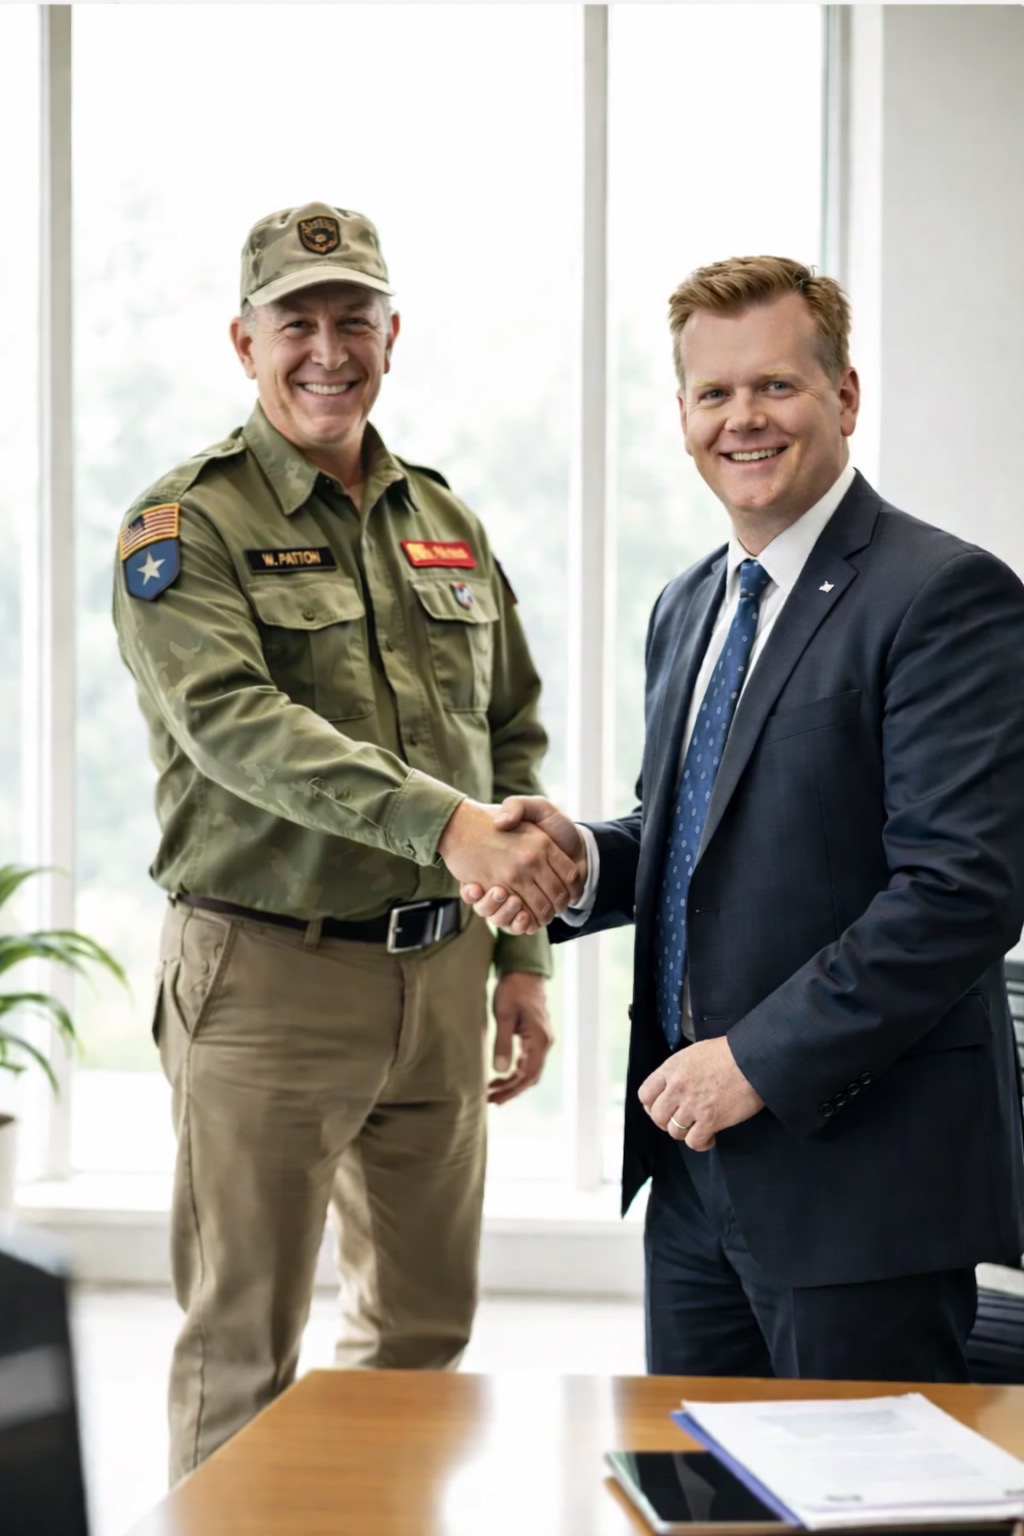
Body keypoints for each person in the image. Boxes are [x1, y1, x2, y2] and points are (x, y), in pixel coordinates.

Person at [462, 255, 1024, 1381]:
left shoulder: (942, 595)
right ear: (680, 415)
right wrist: (578, 862)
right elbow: (698, 839)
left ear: (844, 396)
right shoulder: (689, 603)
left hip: (858, 1179)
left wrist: (754, 1063)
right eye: (712, 394)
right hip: (690, 1167)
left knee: (865, 1505)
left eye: (774, 386)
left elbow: (962, 891)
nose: (742, 419)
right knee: (696, 1494)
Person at [112, 201, 582, 1481]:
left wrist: (525, 959)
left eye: (352, 320)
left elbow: (511, 736)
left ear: (391, 335)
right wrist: (446, 825)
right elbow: (234, 728)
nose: (328, 349)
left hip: (439, 978)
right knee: (240, 1342)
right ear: (244, 342)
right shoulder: (184, 525)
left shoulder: (443, 517)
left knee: (423, 1329)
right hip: (267, 975)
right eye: (296, 322)